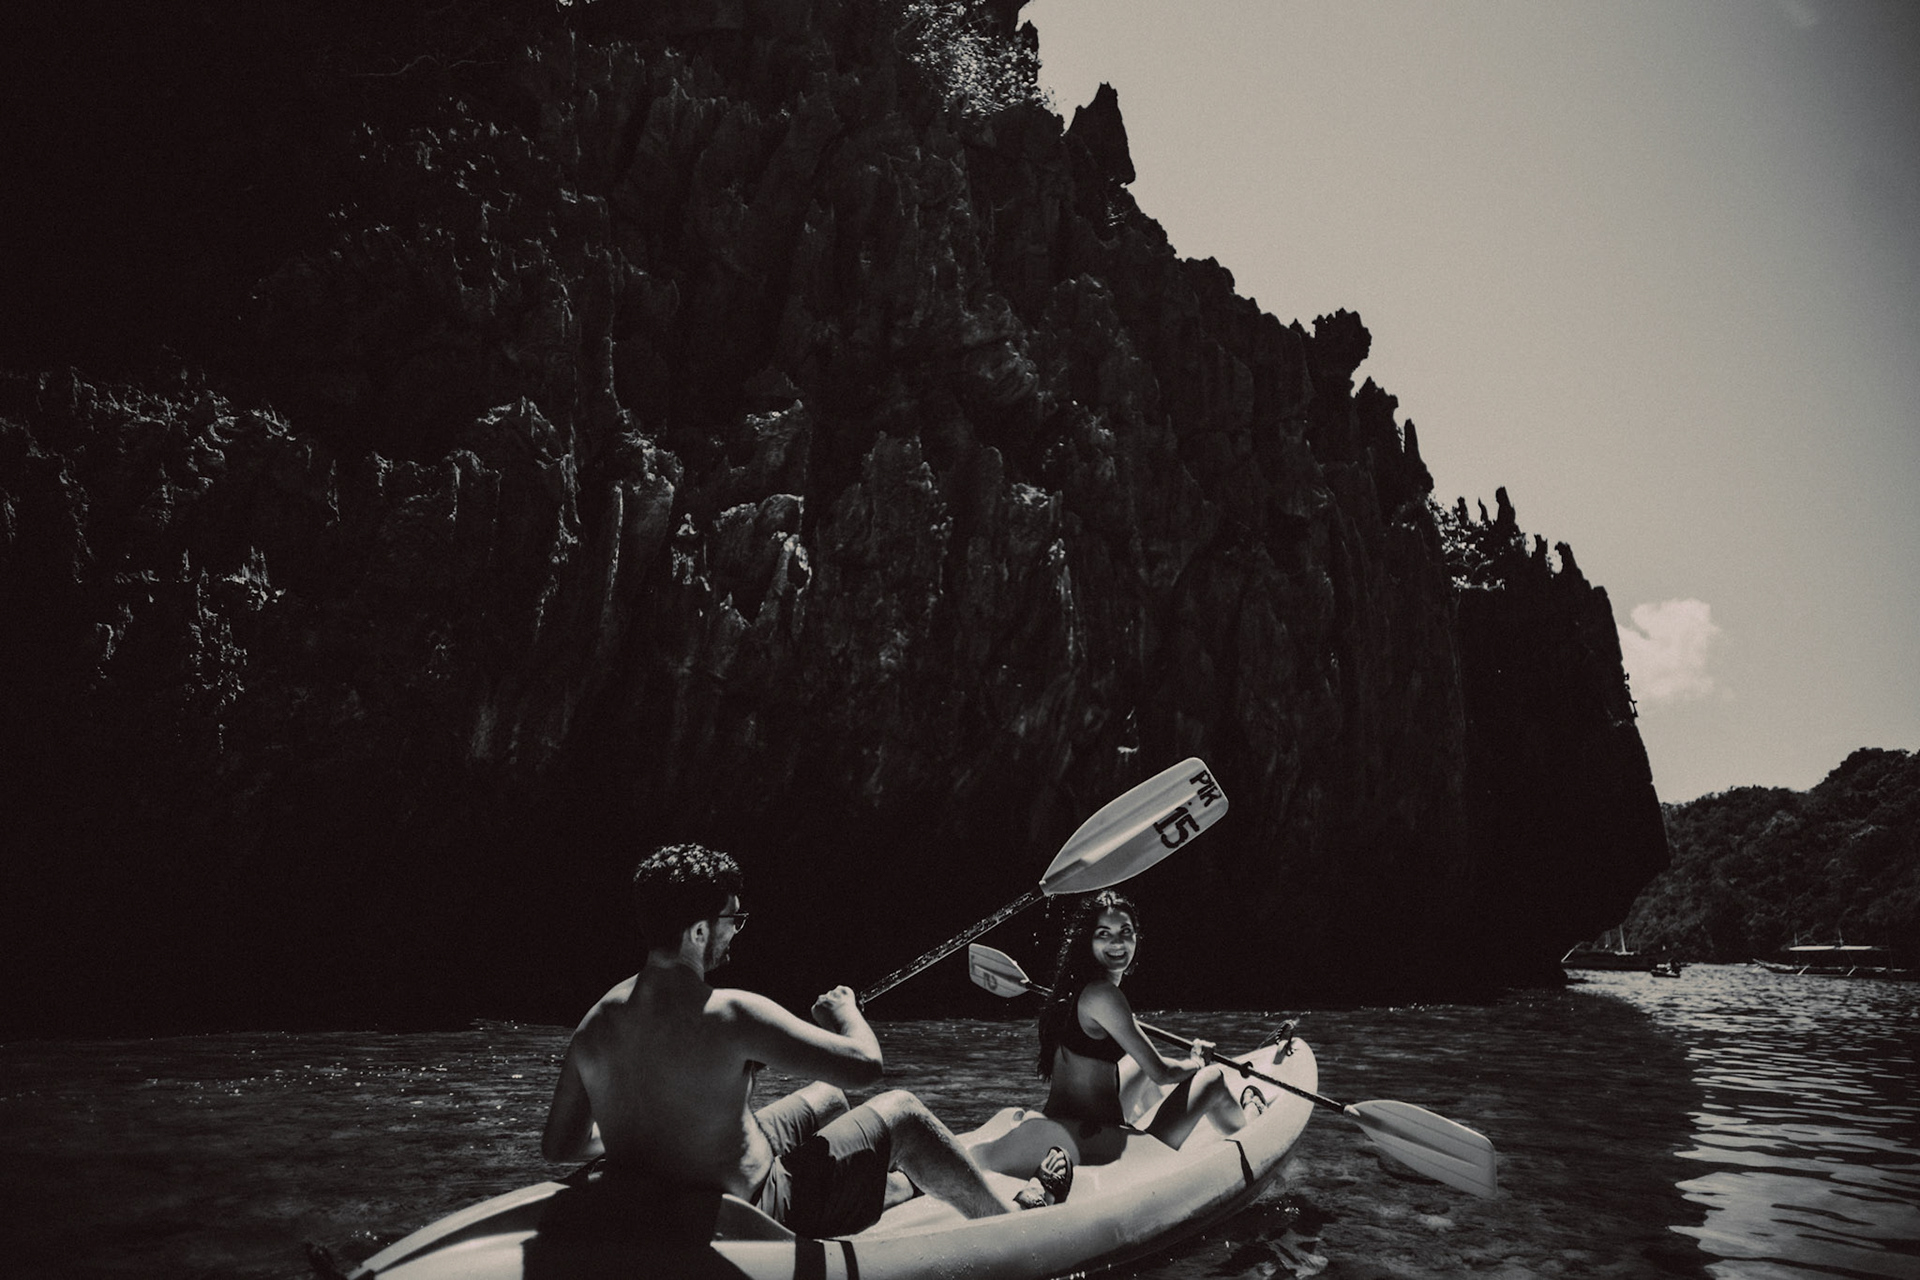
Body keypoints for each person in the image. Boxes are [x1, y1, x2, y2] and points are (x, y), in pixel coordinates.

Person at [540, 842, 1031, 1240]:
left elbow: (560, 1145)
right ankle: (1010, 1226)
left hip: (690, 1183)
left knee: (827, 1096)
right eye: (732, 920)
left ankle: (899, 1187)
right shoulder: (731, 1012)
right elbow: (866, 1065)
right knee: (902, 1112)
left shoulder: (596, 1020)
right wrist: (846, 1014)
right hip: (751, 1209)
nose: (735, 932)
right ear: (697, 931)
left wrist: (649, 1135)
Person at [964, 890, 1258, 1183]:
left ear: (1135, 938)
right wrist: (1197, 1062)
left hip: (1059, 1124)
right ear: (1087, 940)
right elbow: (1162, 1073)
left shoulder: (1073, 987)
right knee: (1214, 1079)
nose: (1117, 942)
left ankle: (1145, 1116)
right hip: (1098, 1144)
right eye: (1104, 933)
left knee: (1133, 1063)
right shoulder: (1105, 995)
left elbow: (1145, 1064)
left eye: (1125, 932)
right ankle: (1254, 1132)